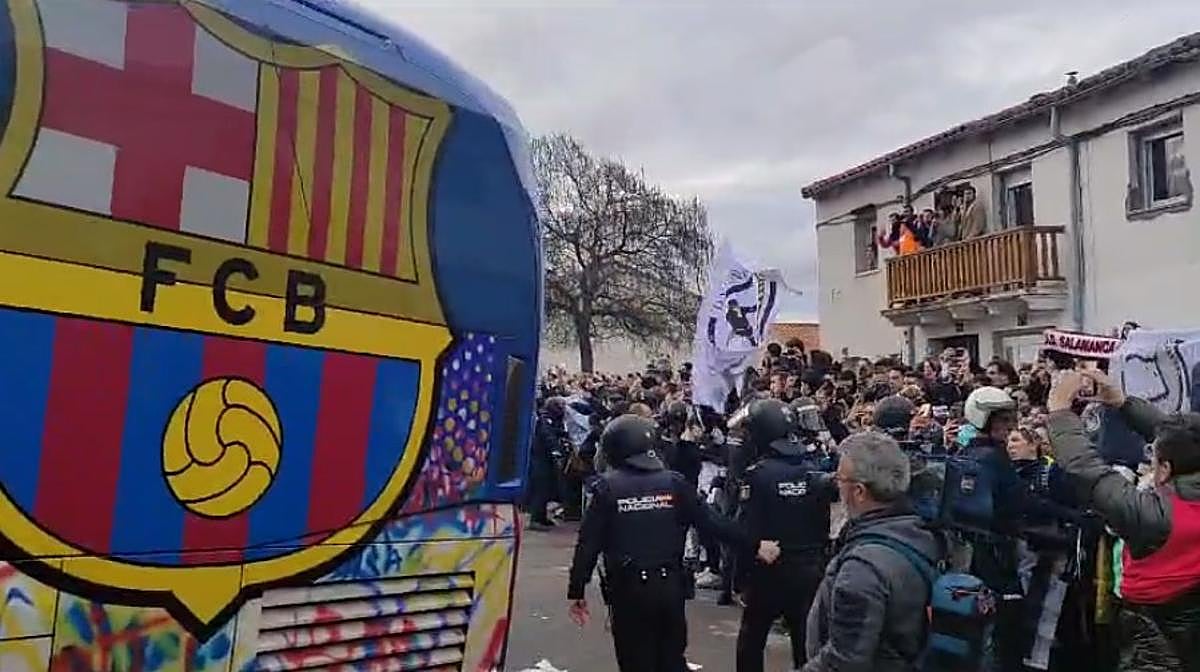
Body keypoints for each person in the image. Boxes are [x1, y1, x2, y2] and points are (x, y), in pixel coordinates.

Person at [567, 415, 781, 672]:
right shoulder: (674, 483)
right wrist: (755, 545)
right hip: (669, 587)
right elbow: (713, 523)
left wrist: (577, 590)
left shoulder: (607, 488)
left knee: (636, 661)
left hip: (629, 590)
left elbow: (587, 545)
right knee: (671, 659)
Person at [1047, 370, 1200, 671]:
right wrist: (1122, 403)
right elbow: (1186, 439)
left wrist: (1060, 412)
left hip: (1155, 651)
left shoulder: (1152, 516)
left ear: (1165, 470)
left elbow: (1088, 471)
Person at [802, 432, 940, 672]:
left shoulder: (863, 568)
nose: (836, 485)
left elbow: (844, 662)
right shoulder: (918, 534)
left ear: (859, 491)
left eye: (839, 479)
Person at [733, 399, 838, 672]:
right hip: (810, 567)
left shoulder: (757, 475)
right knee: (806, 643)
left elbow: (747, 528)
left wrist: (739, 577)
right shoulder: (814, 469)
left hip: (769, 570)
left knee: (751, 639)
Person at [529, 397, 569, 530]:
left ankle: (542, 517)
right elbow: (548, 435)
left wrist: (564, 434)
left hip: (546, 458)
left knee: (546, 488)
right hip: (541, 458)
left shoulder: (551, 419)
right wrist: (556, 450)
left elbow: (555, 431)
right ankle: (535, 519)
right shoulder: (545, 419)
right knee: (541, 488)